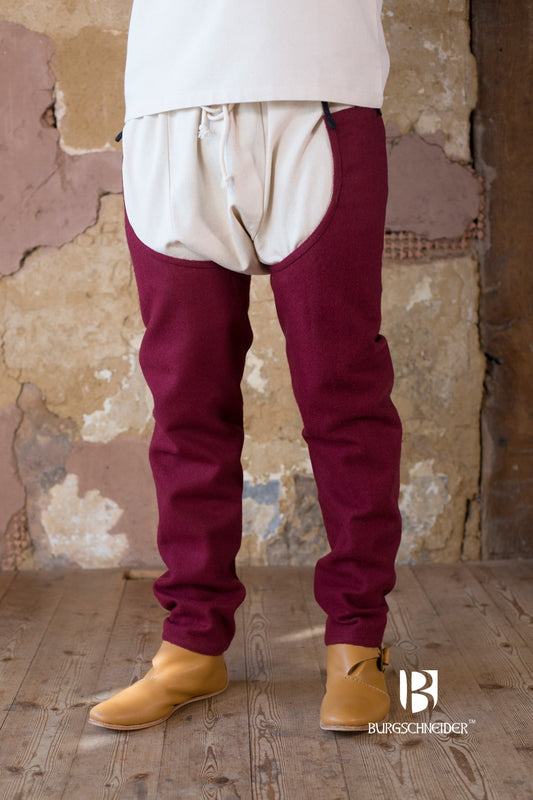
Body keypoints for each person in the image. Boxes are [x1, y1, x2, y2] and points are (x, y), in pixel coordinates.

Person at [90, 0, 402, 733]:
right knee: (185, 398)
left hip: (318, 89)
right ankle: (191, 645)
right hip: (169, 104)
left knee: (342, 388)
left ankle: (357, 642)